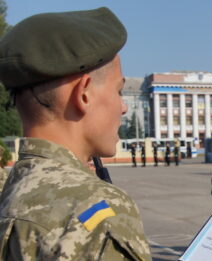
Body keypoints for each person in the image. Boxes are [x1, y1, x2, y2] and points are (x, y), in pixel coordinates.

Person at [0, 7, 151, 260]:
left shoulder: (10, 189)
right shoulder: (95, 206)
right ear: (84, 93)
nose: (123, 107)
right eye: (118, 91)